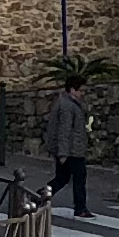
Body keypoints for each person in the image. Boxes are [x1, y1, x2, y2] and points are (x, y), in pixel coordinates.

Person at [46, 79, 91, 219]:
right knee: (78, 178)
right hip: (72, 150)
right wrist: (63, 153)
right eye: (80, 90)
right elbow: (64, 130)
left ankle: (39, 196)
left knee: (62, 178)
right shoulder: (67, 106)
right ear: (72, 89)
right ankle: (80, 208)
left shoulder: (67, 103)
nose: (82, 93)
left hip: (71, 149)